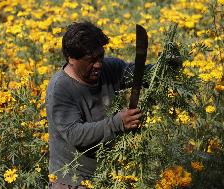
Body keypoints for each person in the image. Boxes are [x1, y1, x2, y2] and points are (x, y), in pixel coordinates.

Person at [46, 21, 152, 189]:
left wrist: (164, 66)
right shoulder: (60, 89)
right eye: (91, 60)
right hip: (74, 180)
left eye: (100, 56)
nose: (98, 64)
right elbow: (75, 134)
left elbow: (140, 74)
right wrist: (117, 123)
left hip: (110, 173)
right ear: (71, 59)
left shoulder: (109, 69)